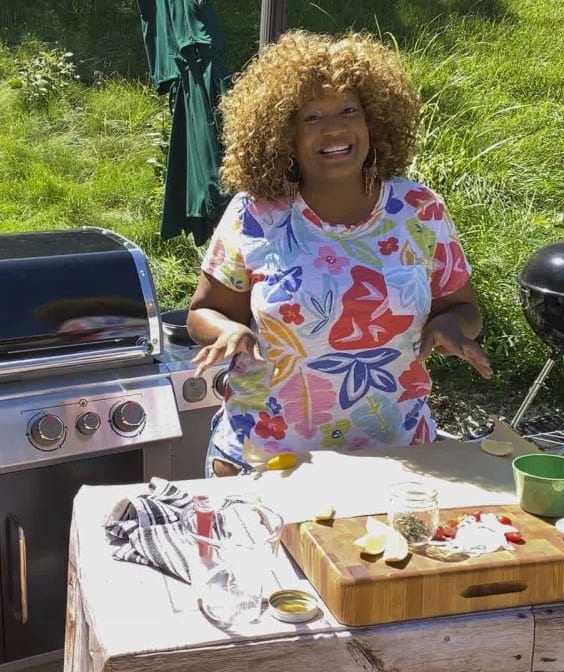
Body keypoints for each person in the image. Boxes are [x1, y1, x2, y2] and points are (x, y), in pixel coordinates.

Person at [187, 30, 493, 478]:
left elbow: (465, 309)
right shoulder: (254, 215)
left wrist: (450, 325)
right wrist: (228, 330)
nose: (334, 129)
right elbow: (201, 312)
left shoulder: (419, 210)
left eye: (349, 110)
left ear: (374, 122)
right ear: (284, 134)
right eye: (311, 117)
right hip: (269, 459)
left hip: (396, 455)